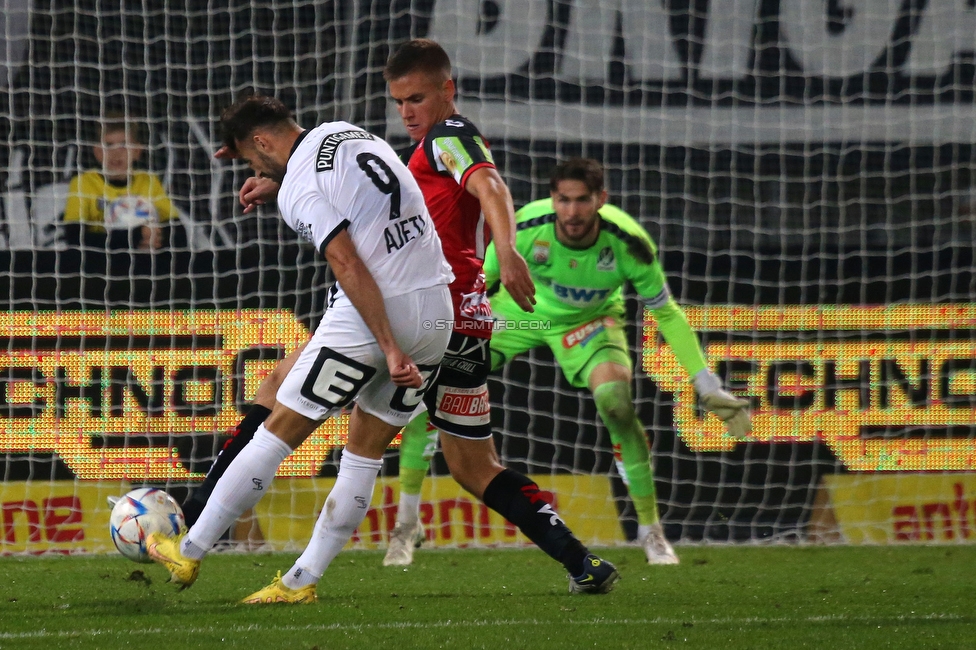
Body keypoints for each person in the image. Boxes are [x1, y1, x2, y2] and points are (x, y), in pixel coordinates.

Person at [180, 39, 620, 598]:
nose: (407, 112)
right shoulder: (421, 152)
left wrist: (506, 252)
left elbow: (490, 185)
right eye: (398, 102)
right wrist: (283, 179)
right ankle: (582, 561)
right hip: (463, 324)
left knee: (278, 393)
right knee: (474, 465)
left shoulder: (450, 137)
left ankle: (192, 521)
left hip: (422, 305)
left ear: (447, 90)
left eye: (416, 98)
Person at [146, 92, 456, 604]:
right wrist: (280, 181)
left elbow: (347, 263)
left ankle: (190, 550)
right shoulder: (348, 133)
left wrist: (387, 345)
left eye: (250, 157)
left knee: (275, 435)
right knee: (364, 456)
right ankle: (302, 581)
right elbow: (362, 196)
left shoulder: (301, 188)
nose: (252, 166)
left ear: (263, 142)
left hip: (377, 314)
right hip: (436, 311)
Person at [384, 158, 753, 567]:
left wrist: (705, 383)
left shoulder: (628, 242)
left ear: (601, 200)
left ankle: (652, 532)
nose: (572, 212)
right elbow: (478, 282)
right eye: (563, 200)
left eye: (582, 201)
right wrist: (434, 338)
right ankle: (406, 524)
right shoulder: (526, 226)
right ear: (552, 199)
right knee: (431, 388)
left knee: (616, 403)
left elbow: (665, 312)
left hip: (590, 322)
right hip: (525, 311)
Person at [62, 112, 180, 251]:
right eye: (108, 145)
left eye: (124, 145)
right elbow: (73, 239)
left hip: (145, 261)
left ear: (137, 151)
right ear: (98, 152)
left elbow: (179, 233)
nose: (116, 152)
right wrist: (134, 237)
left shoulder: (149, 181)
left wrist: (156, 238)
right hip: (103, 263)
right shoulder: (83, 183)